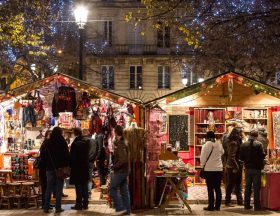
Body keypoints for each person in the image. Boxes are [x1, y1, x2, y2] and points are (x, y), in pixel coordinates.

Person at [41, 127, 70, 213]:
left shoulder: (48, 142)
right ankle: (58, 207)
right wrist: (66, 166)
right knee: (58, 189)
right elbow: (66, 155)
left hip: (49, 168)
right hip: (60, 169)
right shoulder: (62, 142)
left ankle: (46, 207)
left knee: (48, 188)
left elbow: (43, 155)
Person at [240, 130, 265, 211]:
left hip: (247, 168)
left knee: (247, 187)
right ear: (256, 136)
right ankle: (257, 206)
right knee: (256, 188)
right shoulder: (259, 144)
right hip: (257, 169)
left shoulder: (243, 145)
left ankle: (246, 205)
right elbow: (262, 156)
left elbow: (241, 158)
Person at [109, 125, 131, 215]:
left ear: (116, 132)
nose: (113, 132)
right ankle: (127, 211)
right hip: (123, 170)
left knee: (112, 188)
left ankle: (120, 207)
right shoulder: (121, 142)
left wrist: (114, 166)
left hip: (121, 171)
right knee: (124, 191)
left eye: (114, 131)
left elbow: (123, 160)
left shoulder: (121, 143)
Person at [200, 131, 224, 211]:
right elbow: (222, 153)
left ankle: (211, 206)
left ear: (207, 137)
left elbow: (202, 158)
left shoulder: (205, 145)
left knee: (210, 188)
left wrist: (202, 165)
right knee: (218, 188)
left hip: (209, 169)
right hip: (219, 169)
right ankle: (218, 206)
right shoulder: (219, 144)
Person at [70, 128, 91, 210]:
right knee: (85, 185)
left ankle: (78, 204)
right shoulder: (87, 142)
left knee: (78, 186)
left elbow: (72, 157)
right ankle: (85, 204)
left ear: (75, 133)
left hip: (77, 168)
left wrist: (70, 165)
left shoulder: (75, 144)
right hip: (85, 167)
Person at [225, 127, 243, 206]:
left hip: (235, 165)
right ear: (237, 134)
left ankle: (240, 201)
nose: (242, 134)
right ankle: (228, 201)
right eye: (241, 133)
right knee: (231, 184)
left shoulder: (236, 142)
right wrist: (236, 167)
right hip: (233, 167)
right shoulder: (233, 143)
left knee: (237, 184)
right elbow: (231, 157)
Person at [82, 129, 98, 199]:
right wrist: (94, 158)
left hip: (83, 162)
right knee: (89, 177)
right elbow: (97, 151)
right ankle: (88, 192)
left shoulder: (82, 141)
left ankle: (84, 192)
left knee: (83, 177)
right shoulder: (94, 141)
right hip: (91, 161)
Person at [38, 130, 52, 209]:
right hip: (45, 168)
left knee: (46, 186)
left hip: (43, 168)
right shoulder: (47, 143)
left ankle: (46, 203)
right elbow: (45, 156)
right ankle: (45, 204)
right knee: (46, 186)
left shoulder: (45, 143)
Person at [95, 118, 107, 187]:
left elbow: (99, 148)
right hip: (102, 155)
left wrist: (97, 157)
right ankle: (102, 183)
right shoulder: (101, 135)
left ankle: (102, 184)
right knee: (101, 170)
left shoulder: (100, 136)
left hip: (100, 156)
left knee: (100, 170)